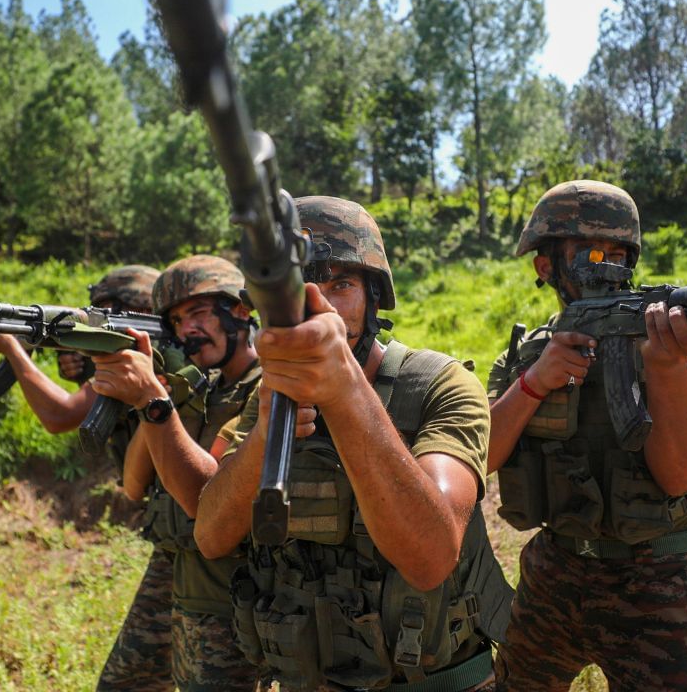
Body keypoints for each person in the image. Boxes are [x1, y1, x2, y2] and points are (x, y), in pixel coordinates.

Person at [193, 196, 512, 692]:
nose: (320, 305)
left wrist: (343, 392)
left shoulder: (439, 385)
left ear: (374, 297)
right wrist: (263, 436)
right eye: (305, 288)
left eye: (341, 285)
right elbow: (211, 536)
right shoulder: (267, 397)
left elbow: (431, 558)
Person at [486, 180, 687, 691]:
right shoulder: (527, 353)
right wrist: (536, 381)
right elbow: (481, 457)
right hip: (556, 572)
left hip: (659, 582)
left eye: (621, 254)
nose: (609, 266)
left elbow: (679, 477)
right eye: (590, 253)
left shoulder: (670, 339)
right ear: (545, 266)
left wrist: (664, 366)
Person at [90, 255, 264, 691]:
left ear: (239, 311)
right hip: (177, 572)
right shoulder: (194, 389)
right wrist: (155, 400)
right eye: (178, 319)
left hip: (232, 593)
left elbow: (207, 500)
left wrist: (154, 399)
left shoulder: (267, 391)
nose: (188, 329)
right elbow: (133, 487)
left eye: (200, 313)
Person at [0, 264, 159, 439]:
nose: (103, 322)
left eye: (113, 314)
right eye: (101, 312)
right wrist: (84, 369)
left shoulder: (153, 358)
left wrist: (10, 347)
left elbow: (59, 416)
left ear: (145, 310)